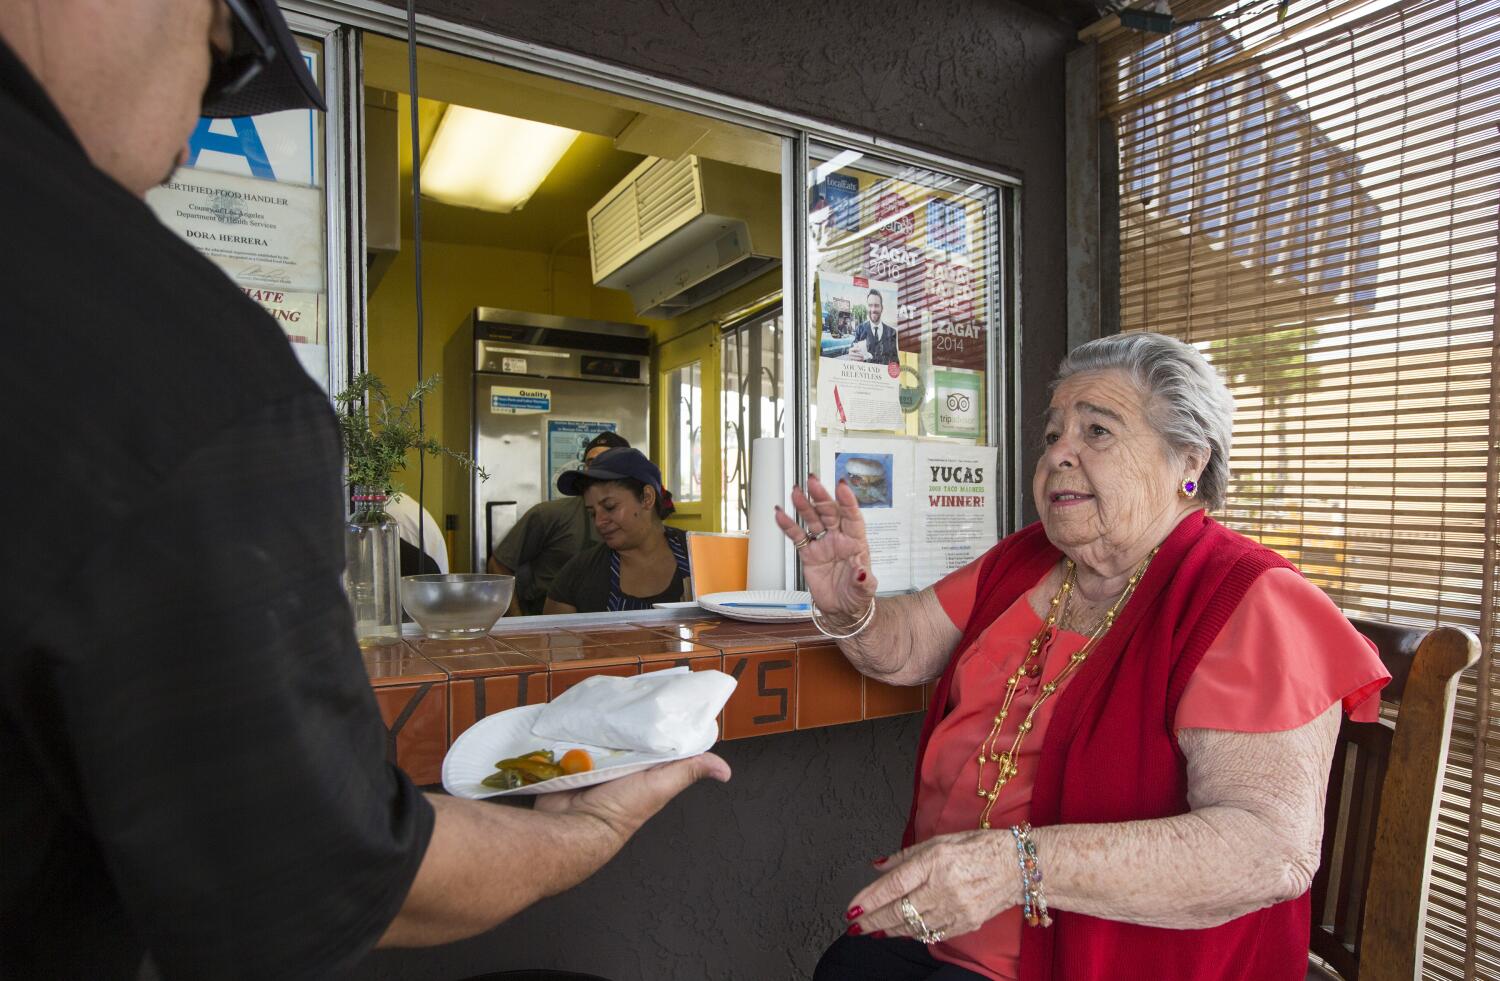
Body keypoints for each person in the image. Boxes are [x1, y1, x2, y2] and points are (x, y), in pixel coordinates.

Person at [0, 3, 727, 979]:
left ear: (650, 503)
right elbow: (313, 872)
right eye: (223, 54)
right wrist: (588, 827)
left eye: (613, 494)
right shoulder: (172, 370)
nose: (212, 116)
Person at [777, 333, 1390, 981]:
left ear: (1188, 459)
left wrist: (1016, 866)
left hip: (1114, 963)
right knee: (847, 967)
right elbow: (903, 650)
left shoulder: (1246, 598)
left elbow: (1267, 850)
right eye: (1052, 435)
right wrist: (851, 609)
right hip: (945, 932)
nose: (1059, 454)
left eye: (1096, 431)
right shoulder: (1026, 560)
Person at [489, 430, 629, 615]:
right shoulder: (549, 515)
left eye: (606, 461)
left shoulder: (637, 522)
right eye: (590, 463)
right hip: (551, 630)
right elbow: (498, 566)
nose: (595, 470)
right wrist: (519, 623)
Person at [544, 448, 691, 614]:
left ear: (647, 497)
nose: (599, 522)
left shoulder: (703, 558)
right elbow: (555, 638)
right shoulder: (578, 574)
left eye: (610, 507)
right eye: (592, 513)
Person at [853, 288, 899, 365]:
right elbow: (853, 350)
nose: (873, 309)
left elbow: (895, 361)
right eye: (870, 305)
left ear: (882, 308)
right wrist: (851, 353)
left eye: (877, 305)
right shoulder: (860, 329)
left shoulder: (891, 332)